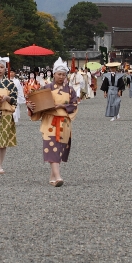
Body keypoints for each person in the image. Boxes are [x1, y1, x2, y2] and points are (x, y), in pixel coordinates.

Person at [27, 58, 78, 187]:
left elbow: (74, 105)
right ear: (54, 74)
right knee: (51, 147)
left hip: (64, 123)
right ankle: (58, 176)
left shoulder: (71, 90)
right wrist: (31, 106)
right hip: (50, 122)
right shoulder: (46, 88)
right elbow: (38, 104)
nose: (61, 77)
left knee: (59, 149)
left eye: (63, 74)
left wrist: (61, 106)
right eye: (58, 74)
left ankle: (52, 176)